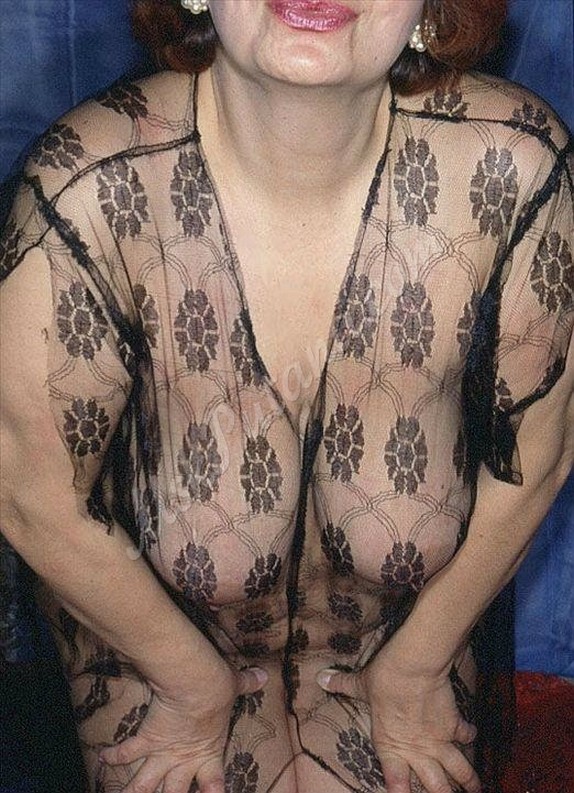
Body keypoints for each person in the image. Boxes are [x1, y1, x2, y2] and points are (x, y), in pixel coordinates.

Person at [0, 0, 572, 791]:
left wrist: (417, 664)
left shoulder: (516, 166)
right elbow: (32, 497)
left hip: (401, 637)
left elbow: (537, 458)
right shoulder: (86, 191)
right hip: (149, 642)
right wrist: (186, 681)